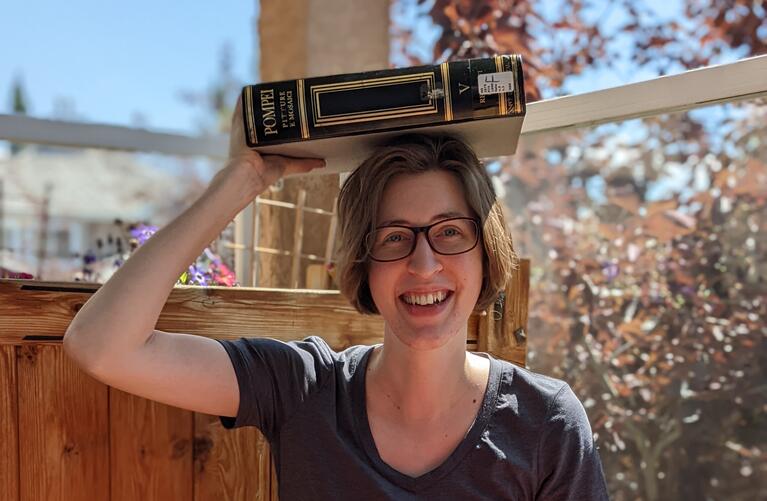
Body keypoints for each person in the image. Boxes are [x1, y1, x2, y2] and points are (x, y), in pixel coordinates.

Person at [63, 97, 610, 500]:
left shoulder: (546, 422)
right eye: (394, 238)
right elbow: (101, 346)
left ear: (486, 252)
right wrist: (244, 180)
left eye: (449, 232)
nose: (423, 264)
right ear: (363, 263)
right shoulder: (303, 388)